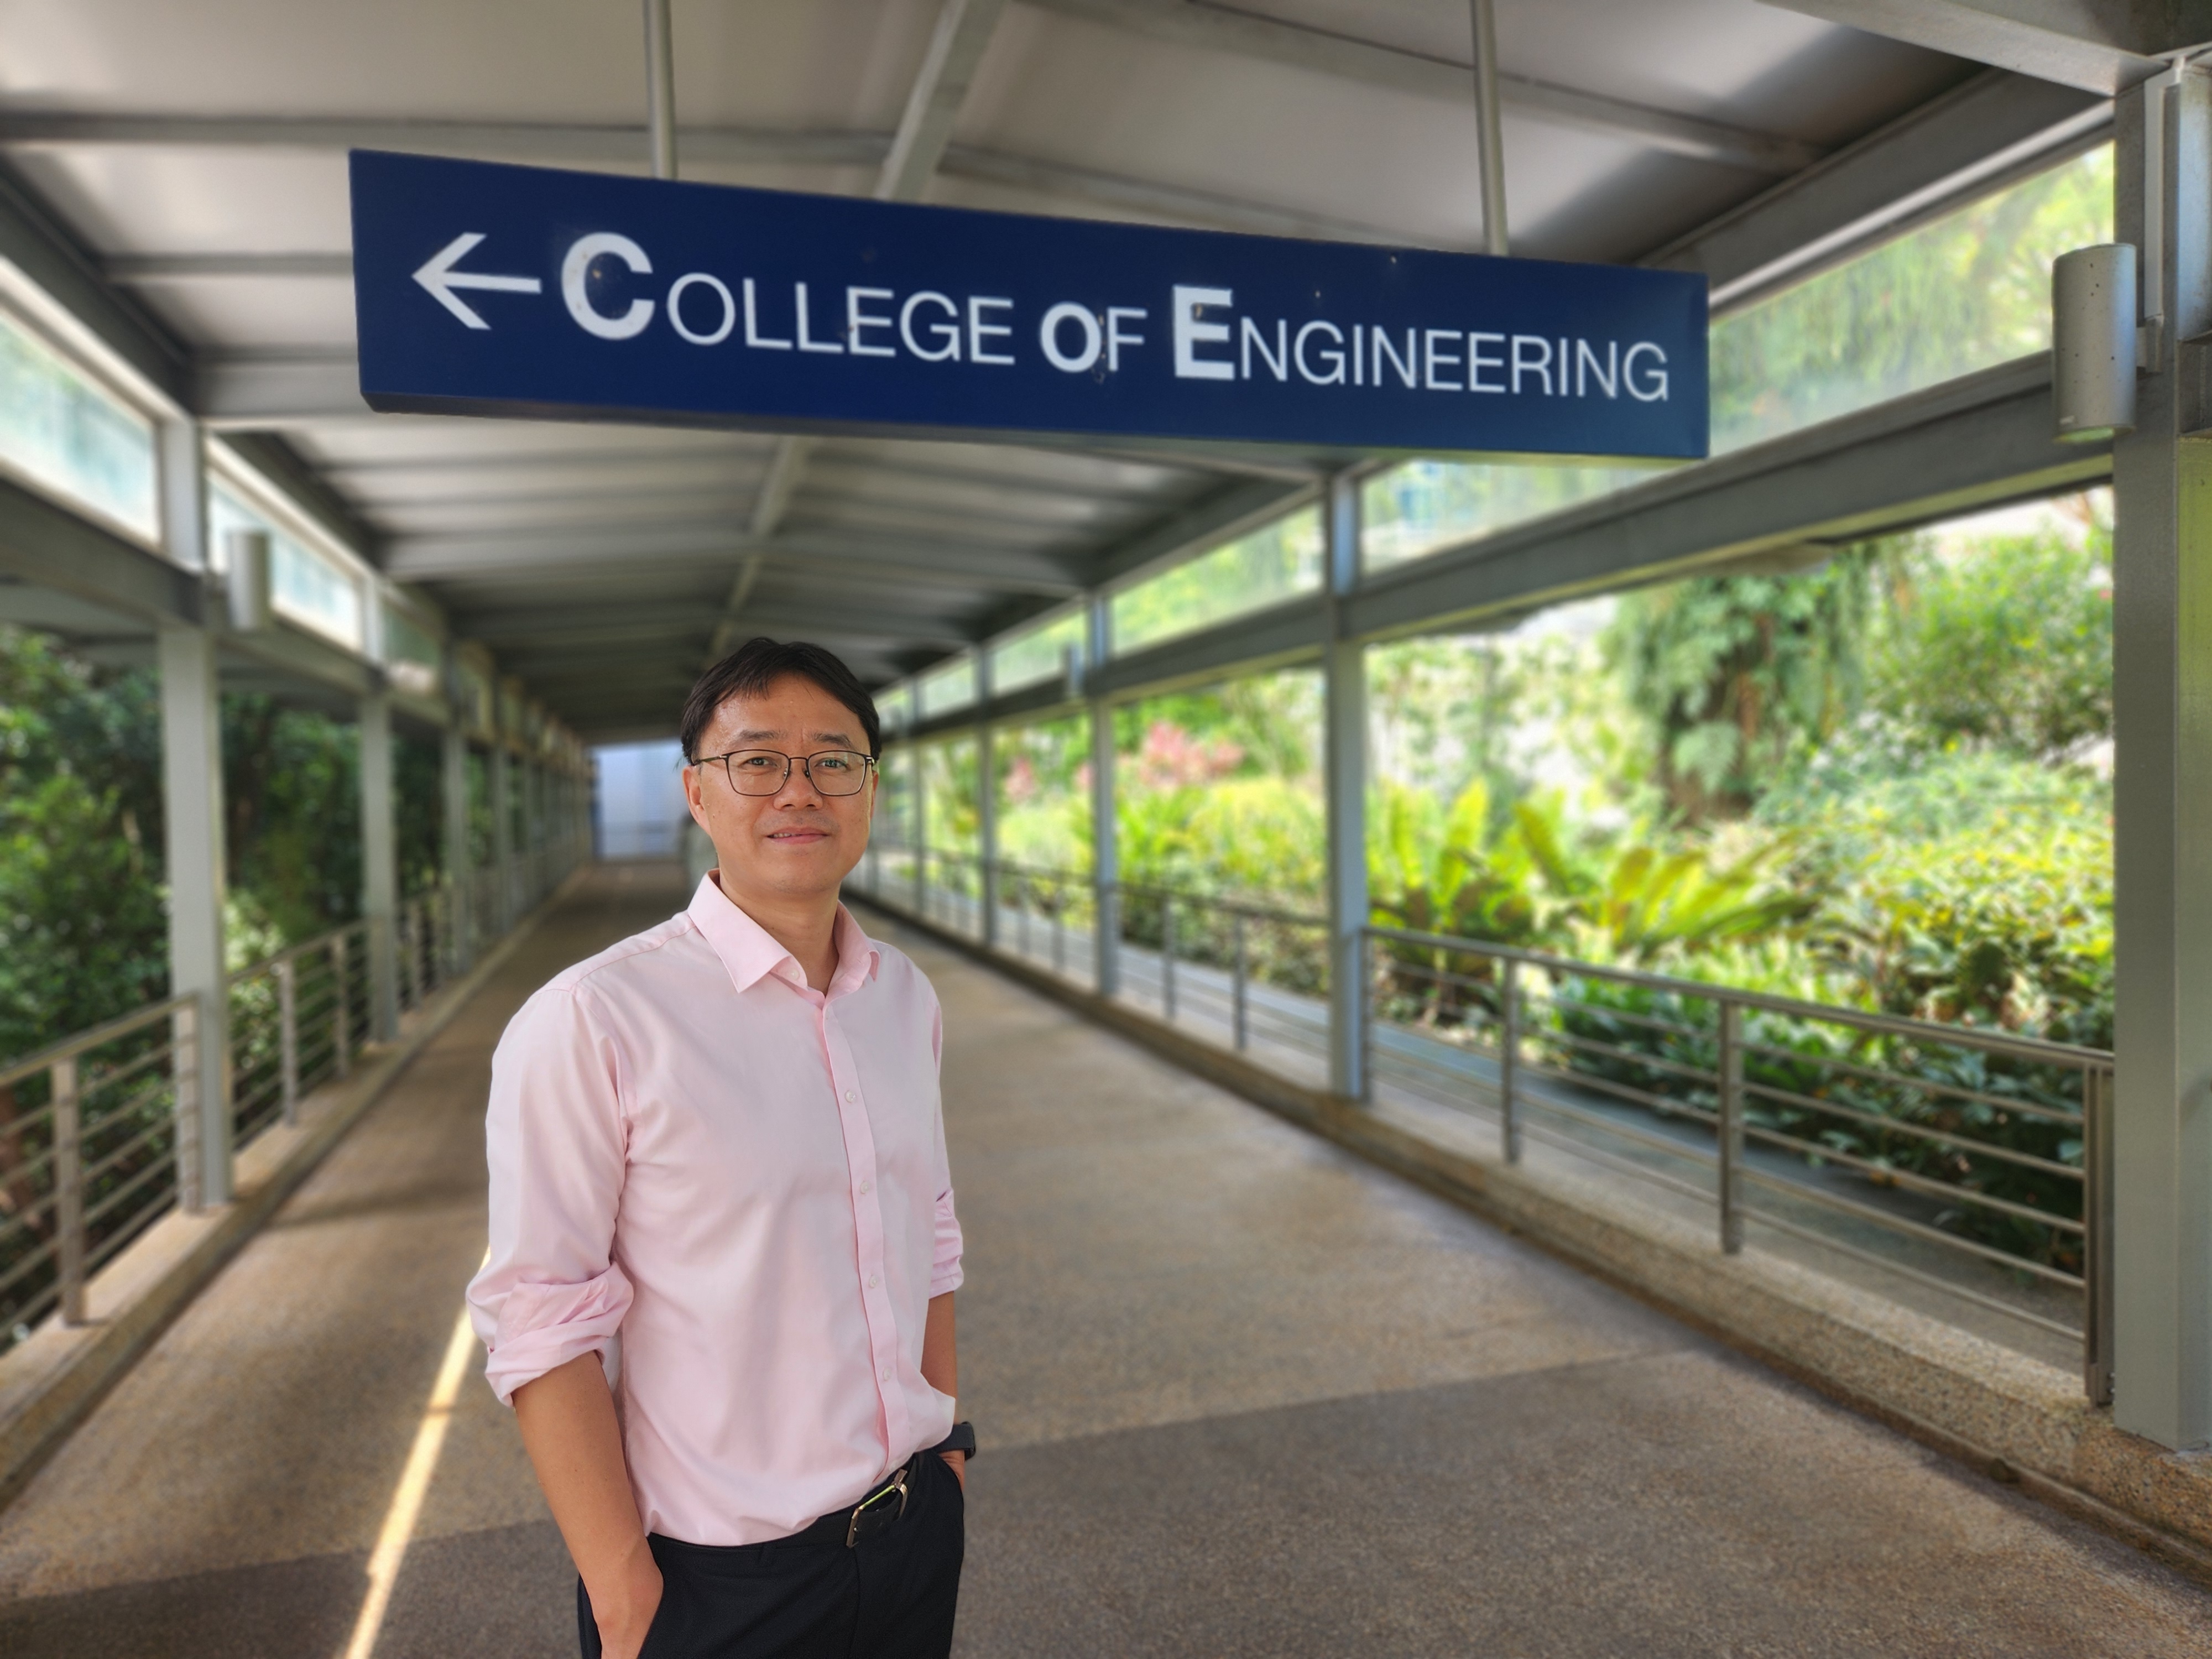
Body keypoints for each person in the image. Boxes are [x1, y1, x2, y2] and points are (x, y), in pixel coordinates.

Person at [467, 638, 971, 1659]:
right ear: (698, 794)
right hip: (720, 1585)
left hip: (914, 1533)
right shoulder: (597, 1019)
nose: (801, 790)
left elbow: (933, 1233)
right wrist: (625, 1596)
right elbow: (539, 1318)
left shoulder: (902, 999)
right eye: (757, 760)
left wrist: (949, 1451)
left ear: (869, 790)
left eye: (835, 759)